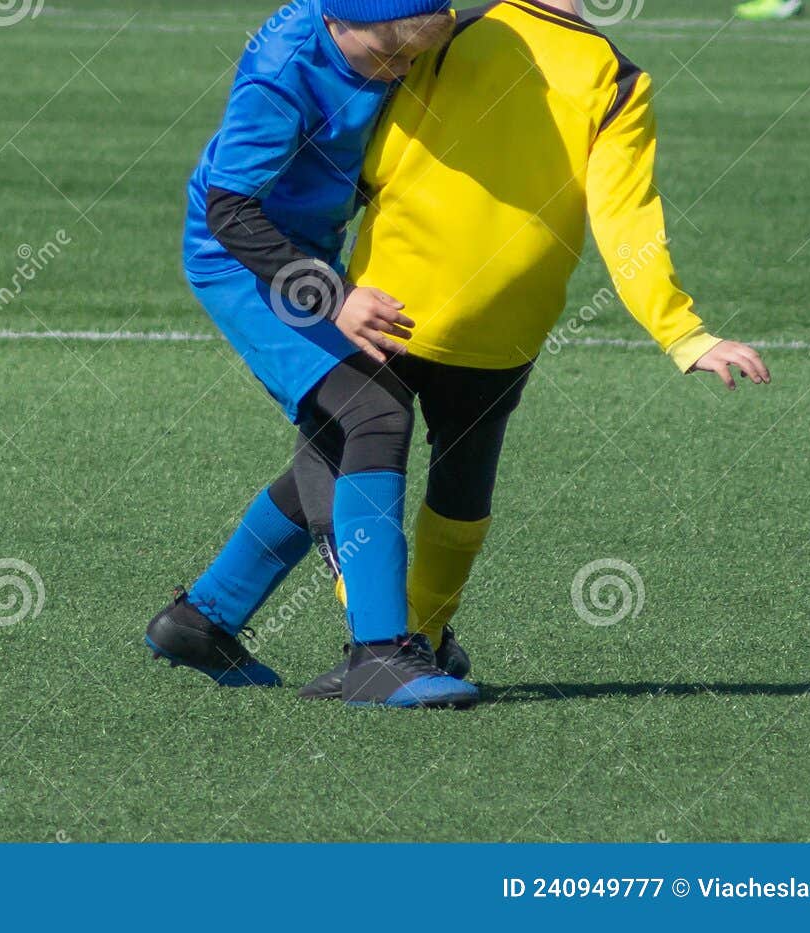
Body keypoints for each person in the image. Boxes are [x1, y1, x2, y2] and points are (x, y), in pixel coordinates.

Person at [297, 0, 773, 699]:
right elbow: (627, 223)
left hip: (389, 305)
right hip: (508, 323)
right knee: (463, 478)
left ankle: (382, 631)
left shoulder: (446, 29)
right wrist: (684, 333)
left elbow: (377, 150)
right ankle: (424, 638)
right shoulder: (616, 80)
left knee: (322, 459)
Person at [144, 0, 481, 708]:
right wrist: (332, 296)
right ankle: (381, 653)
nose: (401, 73)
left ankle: (201, 620)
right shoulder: (282, 75)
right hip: (246, 262)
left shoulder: (389, 27)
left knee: (337, 435)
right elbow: (230, 211)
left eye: (413, 60)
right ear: (340, 27)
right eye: (388, 60)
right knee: (374, 412)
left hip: (311, 251)